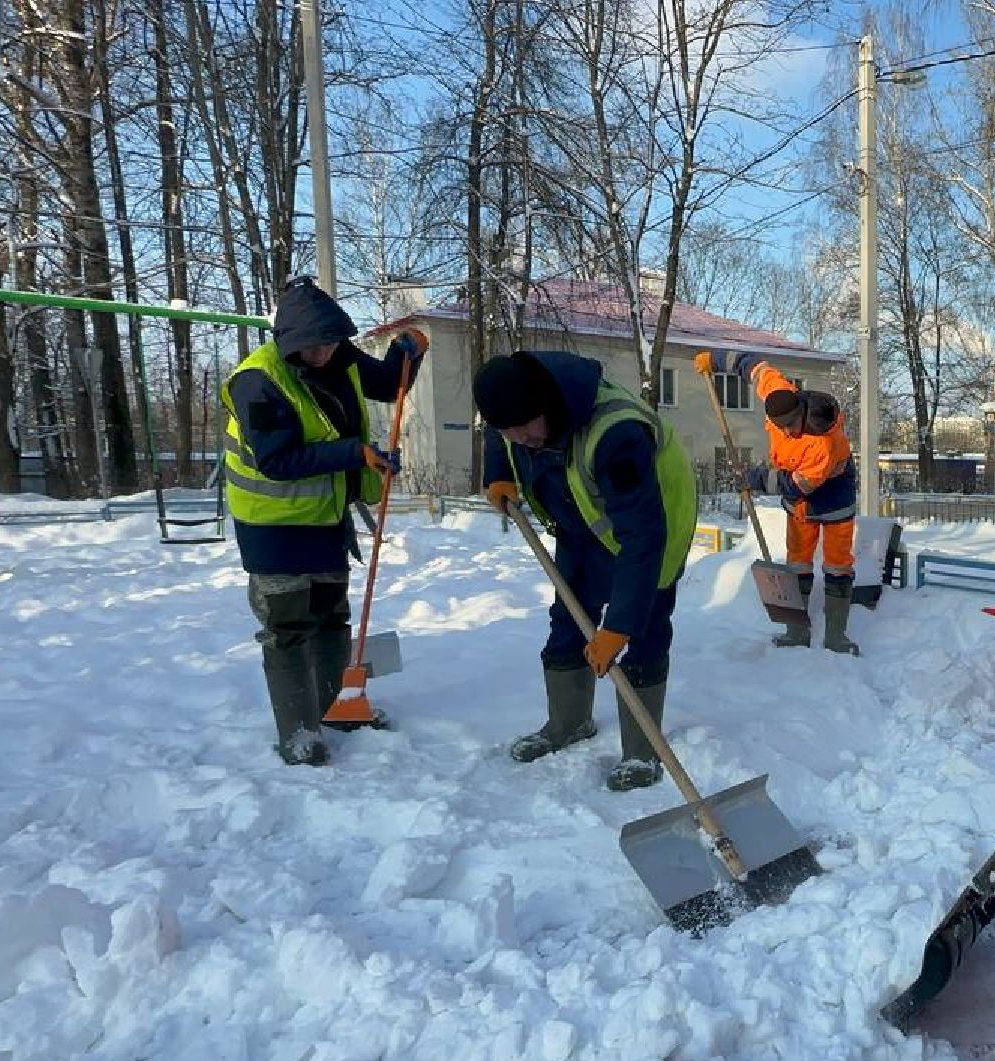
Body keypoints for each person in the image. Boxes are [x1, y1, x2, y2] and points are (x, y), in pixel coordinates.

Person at [473, 350, 698, 791]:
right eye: (508, 430)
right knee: (569, 617)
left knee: (645, 628)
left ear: (547, 407)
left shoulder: (617, 433)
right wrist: (498, 473)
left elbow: (642, 538)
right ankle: (569, 722)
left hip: (653, 527)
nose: (519, 439)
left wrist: (620, 626)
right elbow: (503, 432)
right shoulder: (519, 414)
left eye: (525, 427)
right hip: (583, 523)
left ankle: (642, 750)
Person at [222, 277, 426, 766]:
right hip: (273, 526)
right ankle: (299, 732)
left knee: (332, 617)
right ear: (289, 341)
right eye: (313, 347)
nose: (323, 354)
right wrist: (355, 453)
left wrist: (406, 355)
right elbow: (277, 460)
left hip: (327, 519)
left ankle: (339, 708)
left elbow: (386, 384)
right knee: (289, 626)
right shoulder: (258, 381)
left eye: (331, 343)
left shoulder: (339, 354)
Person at [693, 349, 860, 654]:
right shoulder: (780, 393)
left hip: (834, 496)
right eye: (779, 426)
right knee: (798, 560)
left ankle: (836, 636)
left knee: (838, 564)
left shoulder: (821, 444)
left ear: (801, 414)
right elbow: (752, 366)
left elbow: (795, 486)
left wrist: (755, 479)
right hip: (800, 501)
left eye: (790, 426)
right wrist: (715, 361)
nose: (785, 432)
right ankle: (796, 630)